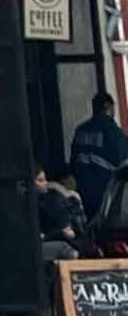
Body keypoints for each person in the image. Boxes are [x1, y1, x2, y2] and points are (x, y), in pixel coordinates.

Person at [70, 91, 128, 222]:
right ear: (108, 106)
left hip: (84, 192)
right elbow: (125, 163)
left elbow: (73, 162)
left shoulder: (81, 131)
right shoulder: (112, 132)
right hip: (106, 194)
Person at [37, 167, 82, 264]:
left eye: (45, 180)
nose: (46, 183)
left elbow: (68, 228)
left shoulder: (53, 199)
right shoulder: (30, 203)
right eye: (40, 180)